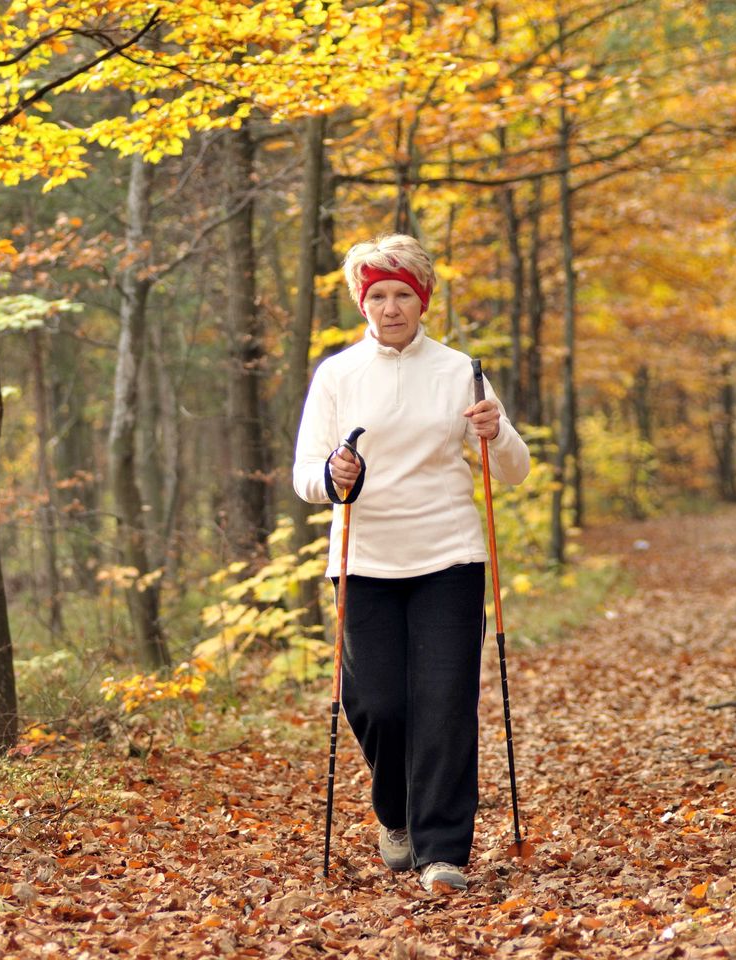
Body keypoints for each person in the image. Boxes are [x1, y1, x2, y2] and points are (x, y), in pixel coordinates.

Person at [292, 233, 531, 893]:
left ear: (421, 300)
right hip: (364, 559)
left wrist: (497, 432)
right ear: (361, 302)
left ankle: (442, 853)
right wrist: (333, 472)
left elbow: (513, 470)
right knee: (376, 704)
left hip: (449, 557)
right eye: (377, 296)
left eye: (402, 295)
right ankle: (394, 811)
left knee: (444, 704)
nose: (390, 307)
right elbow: (306, 479)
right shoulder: (338, 375)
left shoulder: (461, 371)